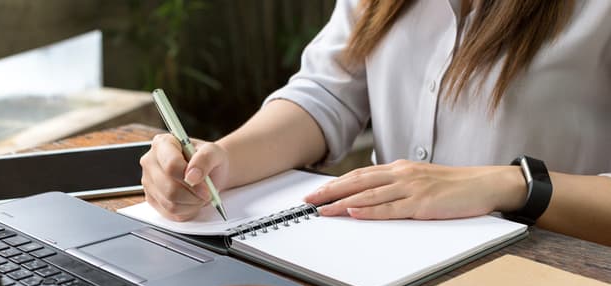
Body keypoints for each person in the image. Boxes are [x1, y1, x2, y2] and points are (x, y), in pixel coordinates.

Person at [140, 0, 611, 246]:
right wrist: (223, 160)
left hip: (553, 279)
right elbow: (327, 93)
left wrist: (508, 185)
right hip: (380, 261)